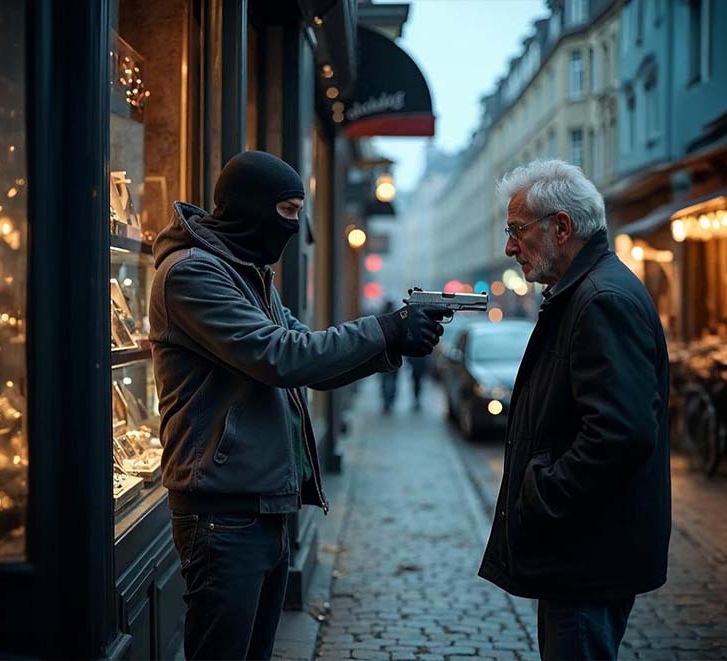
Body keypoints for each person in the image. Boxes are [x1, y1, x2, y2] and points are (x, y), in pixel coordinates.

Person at [149, 150, 447, 660]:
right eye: (287, 211)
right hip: (222, 514)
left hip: (263, 506)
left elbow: (309, 357)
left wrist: (390, 346)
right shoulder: (192, 274)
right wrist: (385, 329)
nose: (293, 227)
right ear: (249, 208)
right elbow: (280, 357)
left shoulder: (248, 273)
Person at [478, 160, 671, 660]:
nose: (509, 247)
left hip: (587, 554)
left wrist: (544, 493)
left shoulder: (600, 298)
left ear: (561, 227)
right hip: (582, 548)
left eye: (517, 231)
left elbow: (620, 434)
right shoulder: (582, 292)